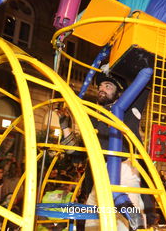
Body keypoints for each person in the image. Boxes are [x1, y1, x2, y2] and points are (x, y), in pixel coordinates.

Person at [57, 72, 149, 231]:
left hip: (124, 169)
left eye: (108, 86)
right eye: (100, 86)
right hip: (100, 175)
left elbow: (146, 76)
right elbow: (77, 154)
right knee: (92, 224)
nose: (101, 89)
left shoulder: (128, 108)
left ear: (120, 93)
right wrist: (65, 126)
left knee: (125, 224)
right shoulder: (95, 117)